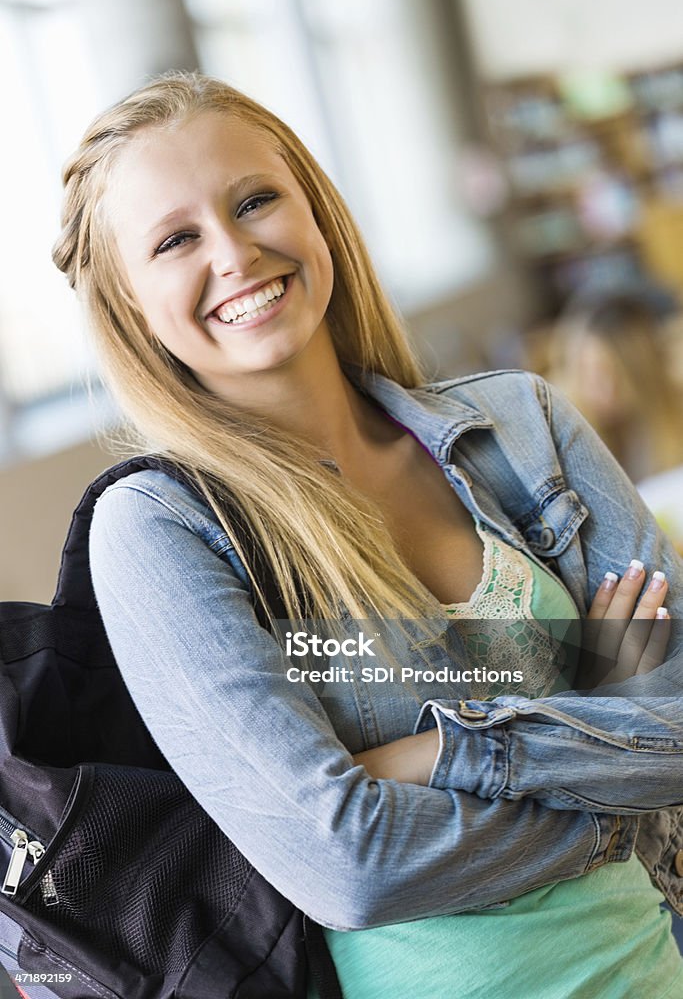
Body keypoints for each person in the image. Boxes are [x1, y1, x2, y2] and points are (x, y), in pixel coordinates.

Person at [52, 72, 683, 998]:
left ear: (316, 212)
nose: (233, 253)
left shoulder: (522, 424)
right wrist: (606, 747)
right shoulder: (158, 529)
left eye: (256, 200)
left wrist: (437, 754)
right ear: (128, 303)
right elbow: (350, 866)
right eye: (177, 240)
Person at [546, 292, 683, 483]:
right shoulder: (560, 424)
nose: (600, 390)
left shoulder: (673, 411)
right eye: (586, 373)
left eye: (612, 375)